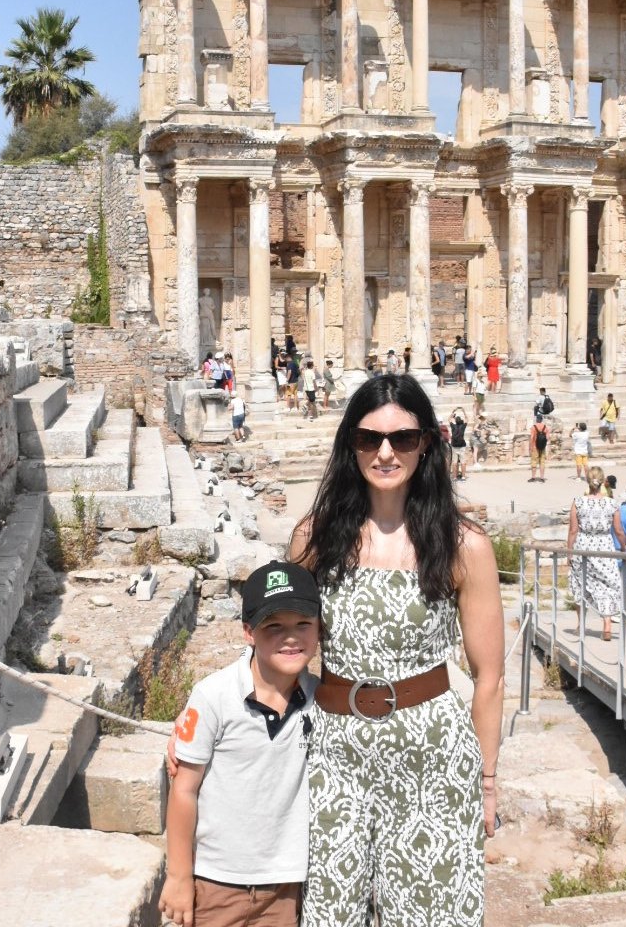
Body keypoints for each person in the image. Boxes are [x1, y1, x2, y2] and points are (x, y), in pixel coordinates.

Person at [288, 373, 502, 925]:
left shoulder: (464, 545)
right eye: (369, 439)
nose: (385, 453)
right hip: (336, 753)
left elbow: (489, 675)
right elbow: (281, 647)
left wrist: (487, 781)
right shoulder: (314, 537)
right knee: (328, 912)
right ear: (350, 445)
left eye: (402, 439)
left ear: (426, 443)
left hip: (432, 754)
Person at [159, 560, 321, 927]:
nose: (291, 637)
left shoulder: (321, 698)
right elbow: (184, 790)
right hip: (217, 883)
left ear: (319, 628)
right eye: (274, 626)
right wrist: (179, 876)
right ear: (248, 632)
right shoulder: (213, 695)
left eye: (303, 624)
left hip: (284, 886)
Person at [567, 466, 626, 642]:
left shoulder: (578, 502)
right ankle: (607, 624)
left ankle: (581, 624)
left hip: (583, 546)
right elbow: (618, 530)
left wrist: (569, 553)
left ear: (588, 480)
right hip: (605, 547)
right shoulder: (611, 503)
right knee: (607, 584)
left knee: (581, 583)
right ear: (602, 481)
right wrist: (624, 548)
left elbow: (573, 530)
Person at [529, 412, 550, 483]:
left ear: (536, 419)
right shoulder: (545, 427)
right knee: (542, 462)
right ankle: (542, 477)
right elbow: (547, 438)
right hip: (542, 448)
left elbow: (532, 438)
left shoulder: (533, 427)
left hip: (535, 447)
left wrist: (530, 447)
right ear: (541, 419)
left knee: (534, 462)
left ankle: (533, 477)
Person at [449, 409, 468, 481]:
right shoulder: (463, 427)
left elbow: (449, 419)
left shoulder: (453, 426)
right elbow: (467, 419)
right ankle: (463, 477)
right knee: (463, 462)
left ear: (455, 421)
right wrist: (464, 411)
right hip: (462, 446)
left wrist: (453, 411)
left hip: (454, 446)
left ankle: (454, 477)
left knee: (454, 462)